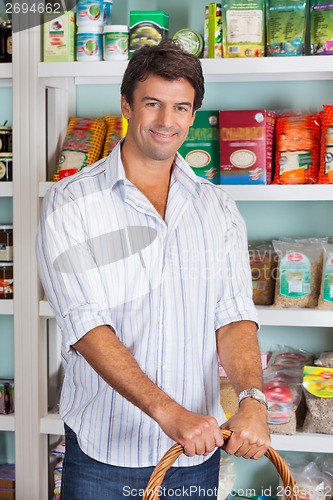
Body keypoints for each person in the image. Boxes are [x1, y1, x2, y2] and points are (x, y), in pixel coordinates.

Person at [36, 39, 270, 500]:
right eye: (153, 104)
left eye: (181, 107)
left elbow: (233, 316)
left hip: (193, 456)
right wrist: (169, 413)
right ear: (126, 106)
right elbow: (86, 326)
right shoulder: (72, 203)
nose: (167, 121)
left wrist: (252, 400)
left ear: (193, 115)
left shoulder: (216, 208)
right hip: (105, 453)